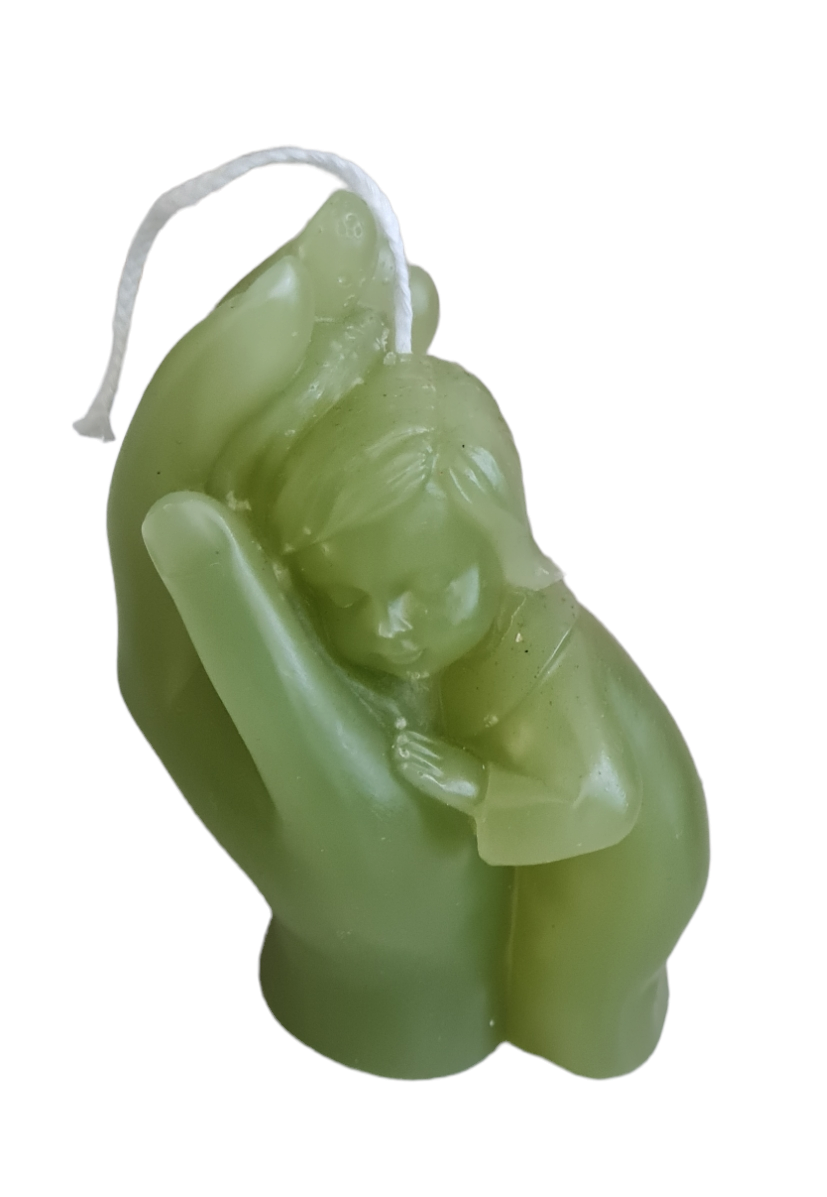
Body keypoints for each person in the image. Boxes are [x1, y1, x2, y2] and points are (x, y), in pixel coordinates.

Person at [113, 191, 709, 1079]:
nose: (386, 625)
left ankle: (588, 1023)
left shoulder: (535, 653)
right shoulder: (441, 641)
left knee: (584, 1025)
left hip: (614, 893)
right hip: (515, 891)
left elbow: (602, 799)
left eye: (424, 589)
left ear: (497, 546)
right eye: (346, 596)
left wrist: (475, 785)